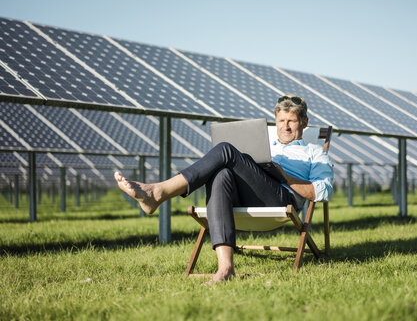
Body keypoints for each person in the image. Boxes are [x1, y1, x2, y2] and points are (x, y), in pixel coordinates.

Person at [114, 94, 334, 284]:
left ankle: (158, 192)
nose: (285, 126)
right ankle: (225, 269)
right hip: (248, 194)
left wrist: (286, 176)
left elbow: (322, 191)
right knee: (221, 174)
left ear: (304, 122)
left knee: (225, 150)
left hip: (281, 198)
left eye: (292, 121)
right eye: (281, 120)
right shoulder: (267, 146)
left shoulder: (315, 153)